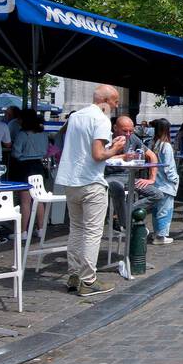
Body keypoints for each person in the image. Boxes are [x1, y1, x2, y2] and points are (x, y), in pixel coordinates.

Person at [54, 84, 126, 297]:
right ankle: (88, 280)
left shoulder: (76, 117)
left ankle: (74, 275)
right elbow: (97, 154)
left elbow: (83, 148)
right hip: (90, 181)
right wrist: (115, 148)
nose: (115, 106)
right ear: (106, 100)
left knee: (76, 229)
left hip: (70, 180)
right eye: (114, 102)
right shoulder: (101, 119)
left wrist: (108, 148)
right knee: (93, 232)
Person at [107, 116, 158, 232]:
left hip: (128, 177)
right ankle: (126, 225)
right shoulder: (107, 138)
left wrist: (152, 179)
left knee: (157, 194)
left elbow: (152, 156)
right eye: (125, 131)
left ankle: (120, 216)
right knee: (117, 188)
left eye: (131, 131)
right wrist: (123, 156)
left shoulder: (133, 138)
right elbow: (100, 157)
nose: (128, 134)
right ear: (115, 128)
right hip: (110, 176)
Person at [140, 119, 180, 245]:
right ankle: (161, 236)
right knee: (165, 210)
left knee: (157, 211)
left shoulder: (153, 143)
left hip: (157, 182)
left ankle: (157, 233)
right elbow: (169, 167)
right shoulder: (166, 146)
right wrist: (175, 179)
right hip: (166, 184)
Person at [11, 109, 50, 233]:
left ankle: (23, 231)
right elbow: (46, 151)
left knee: (25, 202)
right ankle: (41, 229)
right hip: (39, 166)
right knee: (38, 199)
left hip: (25, 167)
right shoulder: (43, 134)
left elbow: (16, 153)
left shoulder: (22, 134)